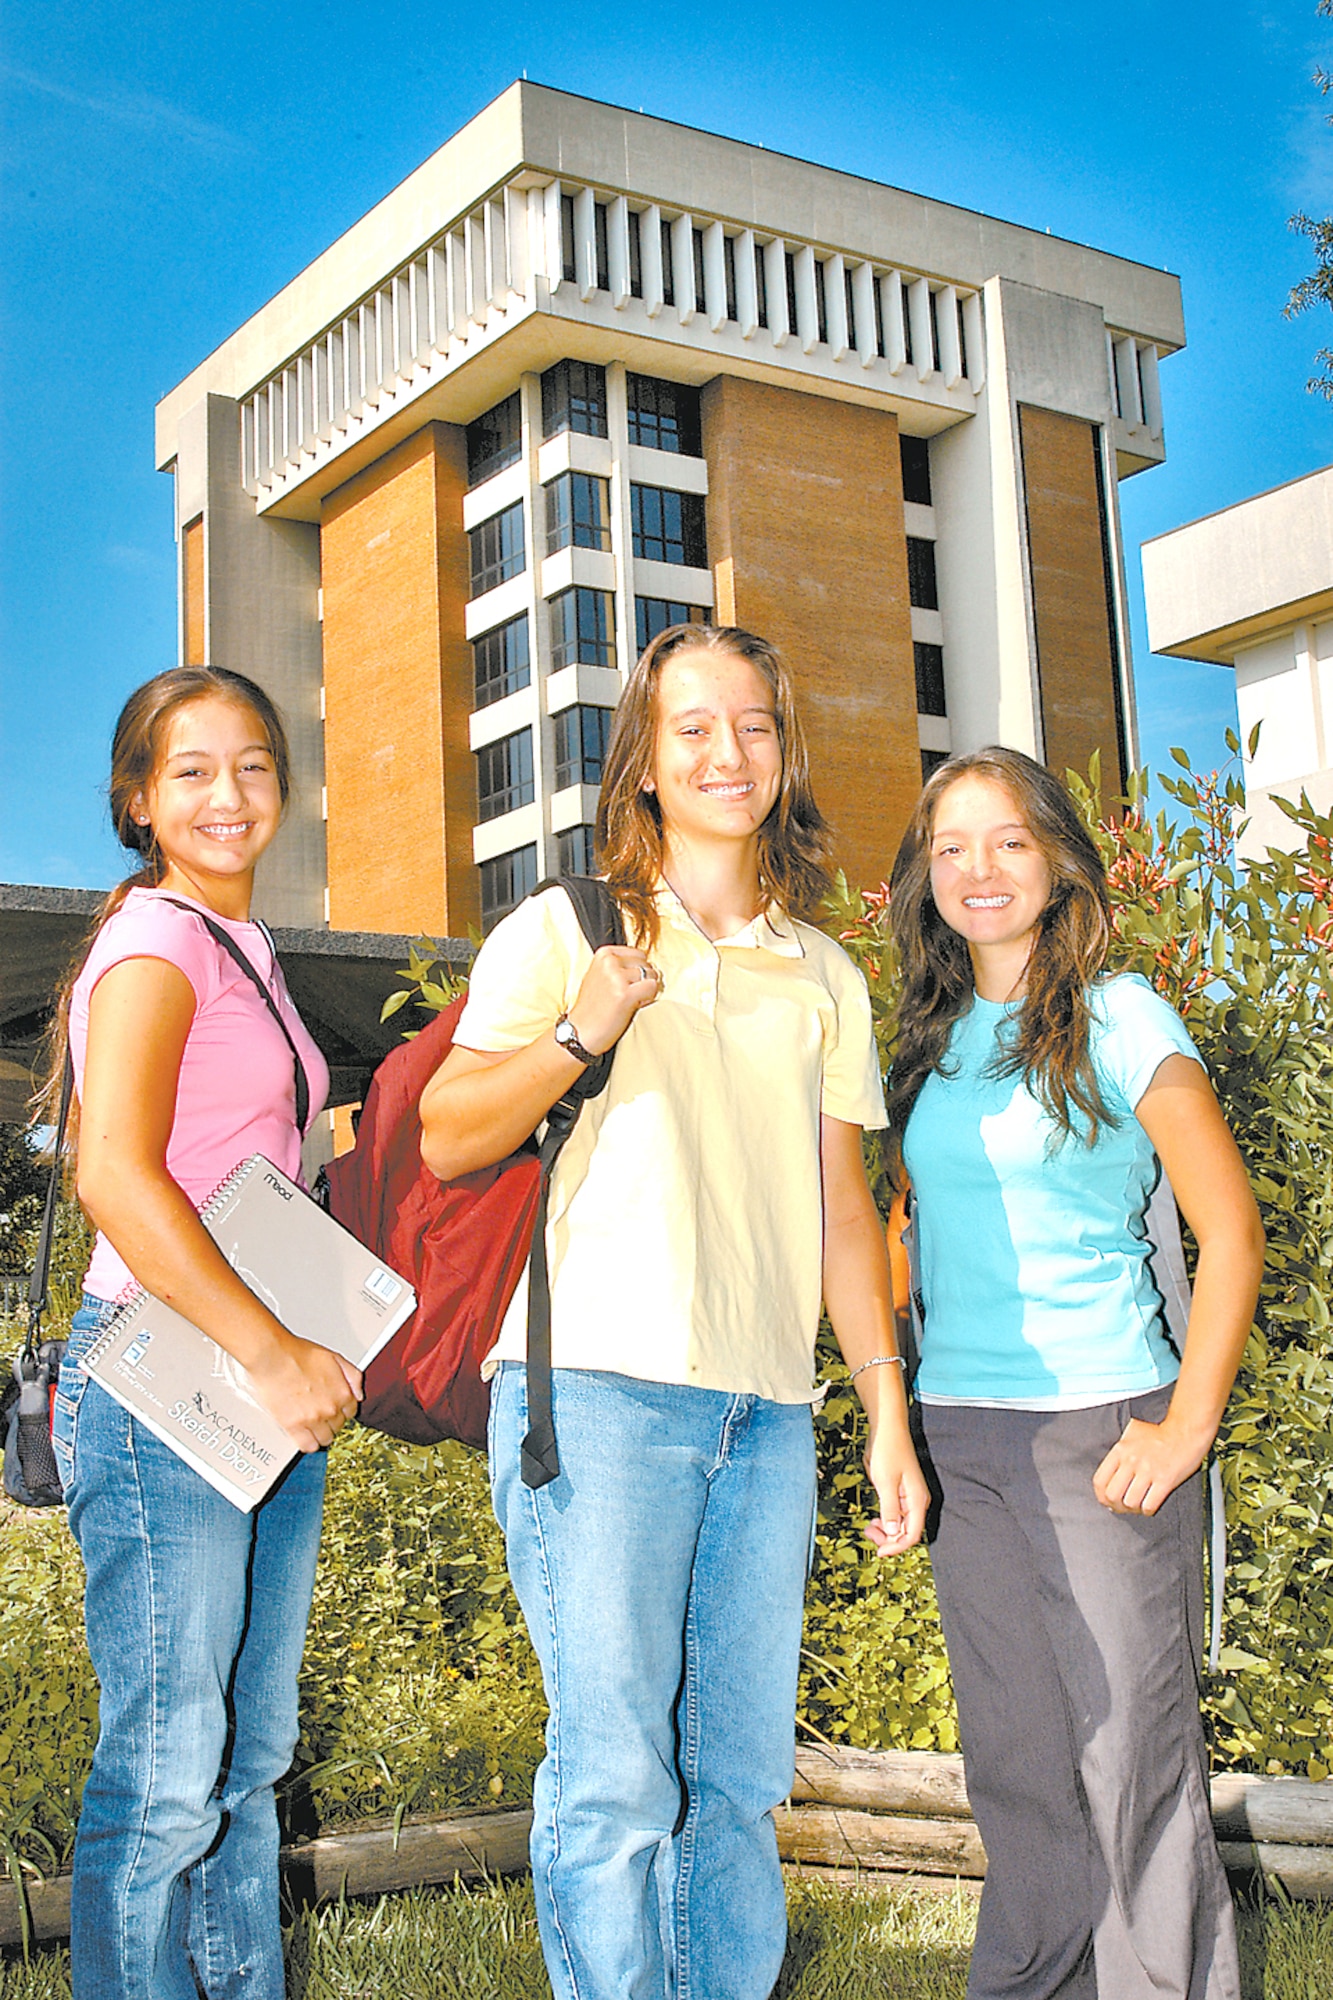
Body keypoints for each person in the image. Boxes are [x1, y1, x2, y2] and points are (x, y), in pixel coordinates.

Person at [419, 623, 929, 2000]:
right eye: (694, 728)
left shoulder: (821, 973)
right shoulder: (567, 928)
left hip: (762, 1411)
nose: (727, 753)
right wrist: (580, 1028)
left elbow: (841, 1211)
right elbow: (450, 1134)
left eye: (753, 726)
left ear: (782, 754)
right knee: (614, 1773)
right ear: (646, 760)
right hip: (593, 1389)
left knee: (739, 1775)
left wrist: (882, 1411)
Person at [885, 746, 1264, 2000]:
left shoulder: (1124, 1015)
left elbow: (1229, 1226)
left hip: (1099, 1423)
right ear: (924, 873)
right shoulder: (930, 1040)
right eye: (951, 846)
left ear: (1055, 862)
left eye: (1005, 841)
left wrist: (1183, 1425)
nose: (977, 869)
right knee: (1015, 1755)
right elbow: (910, 1235)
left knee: (1131, 1760)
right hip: (963, 1433)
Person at [46, 666, 361, 2000]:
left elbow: (239, 1157)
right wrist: (276, 1351)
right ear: (137, 800)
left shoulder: (245, 948)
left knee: (243, 1760)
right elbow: (112, 1172)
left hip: (250, 1386)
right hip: (166, 1383)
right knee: (171, 1772)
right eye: (190, 771)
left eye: (249, 766)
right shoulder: (158, 944)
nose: (226, 794)